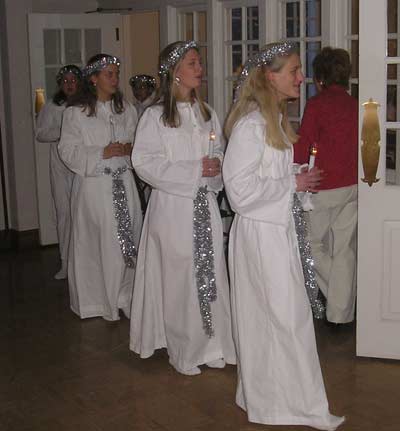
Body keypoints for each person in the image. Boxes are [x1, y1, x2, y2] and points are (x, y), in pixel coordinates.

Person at [223, 42, 345, 430]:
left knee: (284, 318)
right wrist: (292, 184)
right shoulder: (251, 127)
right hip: (260, 236)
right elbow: (239, 193)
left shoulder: (274, 122)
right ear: (269, 77)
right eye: (293, 70)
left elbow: (271, 182)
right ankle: (280, 400)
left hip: (277, 232)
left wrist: (298, 185)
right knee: (278, 318)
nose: (301, 77)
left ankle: (284, 398)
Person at [130, 41, 236, 376]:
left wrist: (216, 166)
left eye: (199, 62)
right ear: (175, 72)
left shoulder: (208, 113)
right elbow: (143, 162)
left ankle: (213, 344)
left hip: (203, 204)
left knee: (212, 275)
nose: (199, 69)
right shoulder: (155, 116)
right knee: (181, 279)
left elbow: (219, 150)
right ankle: (184, 350)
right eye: (193, 63)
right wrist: (193, 170)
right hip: (173, 209)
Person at [58, 54, 143, 321]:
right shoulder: (76, 113)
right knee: (102, 243)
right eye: (109, 74)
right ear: (93, 79)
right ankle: (100, 301)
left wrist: (131, 149)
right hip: (96, 187)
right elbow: (68, 150)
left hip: (124, 183)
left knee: (127, 240)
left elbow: (138, 143)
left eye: (116, 73)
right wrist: (101, 152)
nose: (115, 78)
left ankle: (125, 295)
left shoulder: (125, 109)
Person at [295, 47, 358, 324]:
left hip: (324, 185)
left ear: (319, 78)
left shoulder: (317, 105)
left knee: (308, 244)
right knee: (344, 248)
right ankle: (341, 312)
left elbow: (304, 145)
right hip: (355, 184)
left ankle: (340, 302)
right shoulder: (357, 105)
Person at [36, 65, 82, 280]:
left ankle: (85, 262)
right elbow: (41, 133)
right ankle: (66, 262)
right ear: (60, 84)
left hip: (82, 166)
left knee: (83, 214)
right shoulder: (53, 106)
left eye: (74, 80)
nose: (70, 84)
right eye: (66, 81)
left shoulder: (87, 105)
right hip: (60, 167)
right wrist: (63, 132)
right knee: (64, 214)